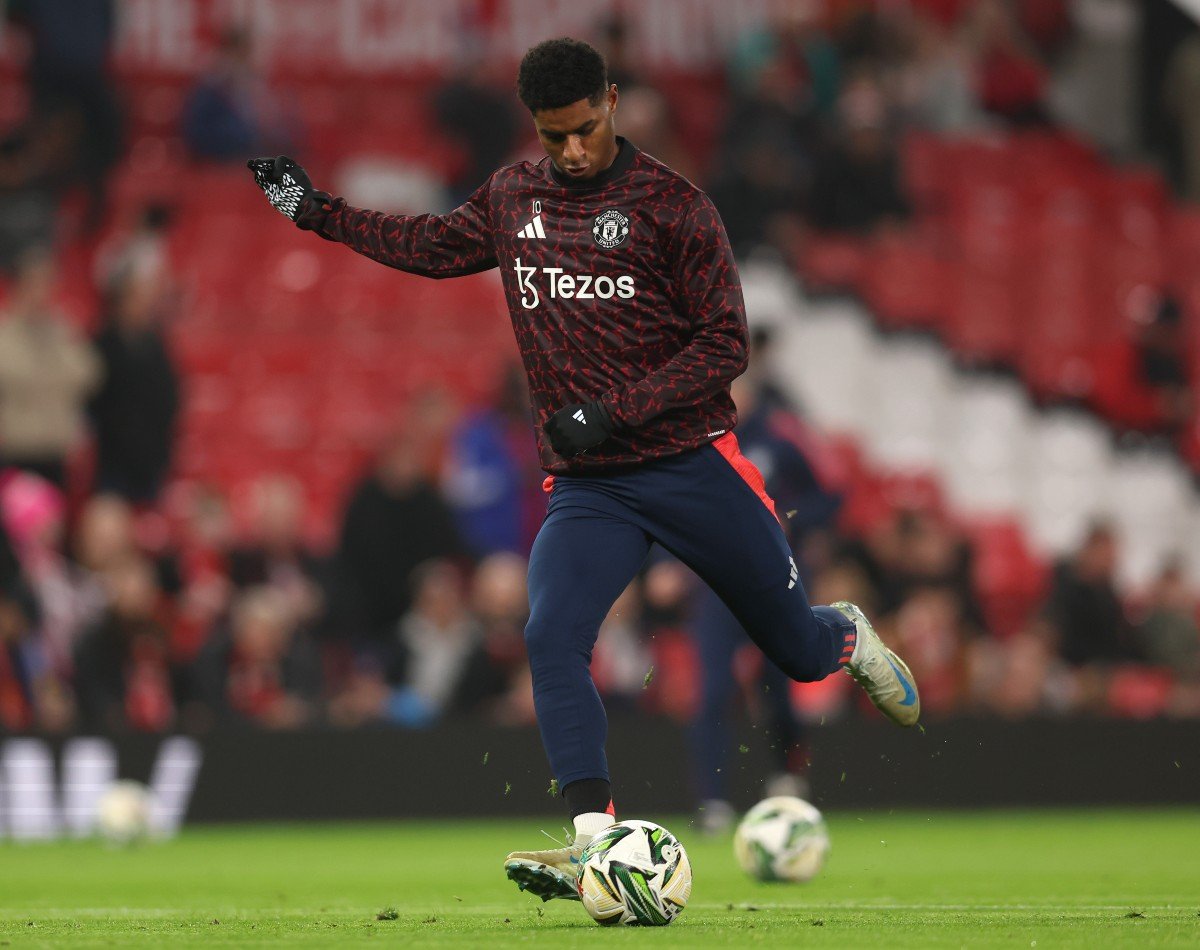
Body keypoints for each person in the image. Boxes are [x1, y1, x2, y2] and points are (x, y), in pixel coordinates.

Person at [247, 36, 920, 904]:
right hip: (592, 486)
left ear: (611, 101)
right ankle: (596, 838)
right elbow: (430, 245)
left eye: (584, 129)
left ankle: (847, 635)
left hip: (690, 464)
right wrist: (318, 212)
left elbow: (726, 344)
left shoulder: (675, 206)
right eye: (553, 134)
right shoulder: (514, 194)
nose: (570, 151)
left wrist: (618, 411)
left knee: (794, 653)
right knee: (549, 633)